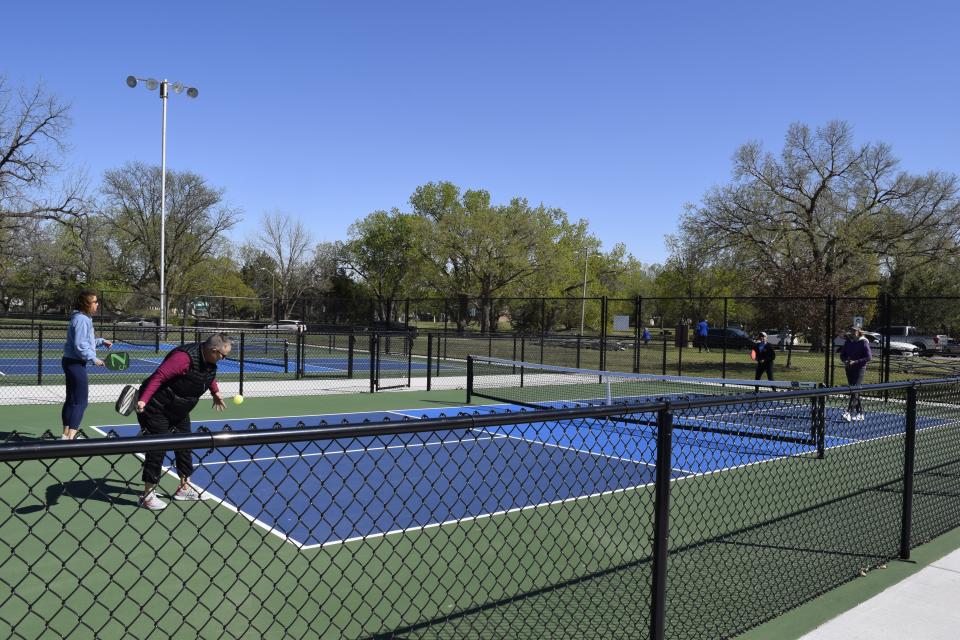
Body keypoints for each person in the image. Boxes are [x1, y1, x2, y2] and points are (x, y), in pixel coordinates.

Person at [134, 333, 231, 510]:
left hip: (179, 409)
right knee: (158, 447)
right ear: (213, 350)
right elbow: (159, 376)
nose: (224, 359)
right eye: (223, 355)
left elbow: (207, 376)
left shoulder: (209, 360)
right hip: (157, 407)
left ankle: (184, 488)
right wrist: (144, 400)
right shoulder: (183, 358)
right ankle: (147, 496)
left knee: (185, 444)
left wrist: (215, 392)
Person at [61, 290, 113, 440]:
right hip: (76, 364)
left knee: (71, 400)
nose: (97, 304)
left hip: (70, 361)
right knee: (81, 402)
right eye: (95, 302)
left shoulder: (79, 318)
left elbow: (85, 341)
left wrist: (101, 341)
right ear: (86, 304)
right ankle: (72, 437)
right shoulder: (83, 320)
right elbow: (80, 345)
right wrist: (93, 358)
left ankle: (65, 435)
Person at [839, 326, 872, 422]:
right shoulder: (848, 342)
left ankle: (848, 412)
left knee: (854, 390)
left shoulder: (864, 342)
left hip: (860, 369)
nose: (853, 332)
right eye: (852, 330)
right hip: (849, 369)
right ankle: (860, 414)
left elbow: (869, 357)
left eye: (855, 331)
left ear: (859, 332)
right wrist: (845, 361)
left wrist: (856, 362)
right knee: (854, 391)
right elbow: (842, 354)